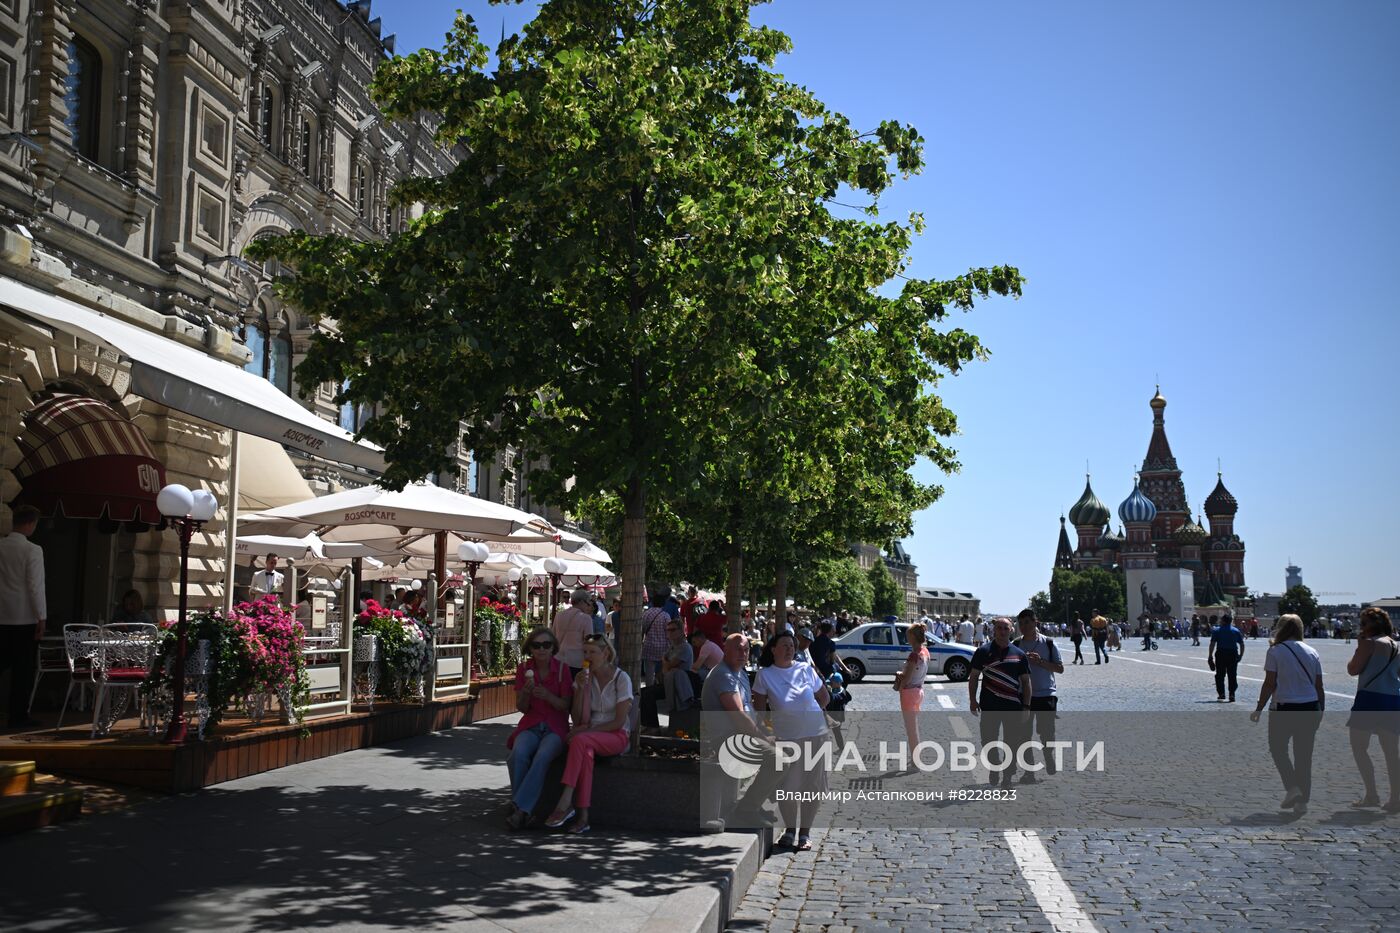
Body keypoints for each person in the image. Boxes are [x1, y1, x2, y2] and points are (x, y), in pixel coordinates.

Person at [546, 635, 634, 834]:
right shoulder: (584, 678)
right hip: (587, 737)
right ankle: (583, 817)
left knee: (580, 740)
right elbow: (577, 720)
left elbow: (619, 722)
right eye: (584, 652)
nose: (587, 656)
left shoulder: (621, 679)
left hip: (616, 735)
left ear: (606, 654)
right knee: (584, 751)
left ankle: (565, 801)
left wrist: (587, 730)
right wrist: (579, 690)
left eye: (592, 652)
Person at [753, 631, 830, 851]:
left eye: (792, 645)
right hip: (786, 738)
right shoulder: (765, 675)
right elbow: (760, 711)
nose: (789, 649)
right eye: (784, 645)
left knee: (811, 787)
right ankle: (790, 830)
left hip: (815, 734)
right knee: (788, 786)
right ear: (773, 649)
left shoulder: (804, 669)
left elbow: (823, 697)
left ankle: (804, 833)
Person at [1249, 614, 1324, 812]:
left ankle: (1292, 787)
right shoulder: (1312, 651)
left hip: (1283, 708)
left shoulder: (1275, 651)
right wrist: (1321, 710)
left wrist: (1259, 708)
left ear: (1280, 628)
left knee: (1278, 749)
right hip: (1310, 707)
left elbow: (1270, 683)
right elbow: (1319, 686)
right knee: (1304, 756)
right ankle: (1302, 802)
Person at [504, 628, 573, 829]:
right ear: (530, 648)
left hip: (555, 726)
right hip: (532, 724)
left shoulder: (562, 669)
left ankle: (520, 809)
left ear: (553, 648)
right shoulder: (523, 669)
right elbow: (522, 708)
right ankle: (523, 810)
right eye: (536, 645)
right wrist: (525, 694)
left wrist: (548, 696)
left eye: (546, 645)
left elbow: (565, 706)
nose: (541, 649)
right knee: (518, 754)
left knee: (543, 756)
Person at [1344, 606, 1400, 811]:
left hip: (1369, 700)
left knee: (1359, 748)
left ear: (1372, 625)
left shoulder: (1368, 644)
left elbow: (1353, 669)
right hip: (1392, 700)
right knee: (1392, 753)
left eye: (1363, 623)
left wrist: (1359, 647)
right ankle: (1396, 798)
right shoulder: (1395, 645)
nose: (1361, 627)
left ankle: (1372, 794)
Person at [968, 617, 1032, 786]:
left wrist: (1026, 706)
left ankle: (1008, 776)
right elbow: (974, 677)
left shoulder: (1019, 654)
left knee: (1012, 742)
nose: (1002, 631)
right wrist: (972, 700)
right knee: (988, 740)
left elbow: (1026, 682)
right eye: (999, 628)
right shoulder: (983, 651)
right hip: (989, 706)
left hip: (1013, 706)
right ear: (993, 630)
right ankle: (994, 766)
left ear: (1011, 630)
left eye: (1006, 628)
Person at [0, 505, 46, 730]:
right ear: (30, 524)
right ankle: (18, 716)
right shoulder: (32, 550)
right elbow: (35, 586)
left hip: (2, 615)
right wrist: (42, 617)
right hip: (24, 617)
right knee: (23, 671)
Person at [1014, 608, 1063, 782]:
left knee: (1047, 732)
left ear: (1036, 622)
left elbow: (1059, 668)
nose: (1024, 626)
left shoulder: (1048, 643)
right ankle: (1029, 772)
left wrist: (1040, 662)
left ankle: (1048, 756)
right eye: (1021, 623)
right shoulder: (1016, 645)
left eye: (1027, 622)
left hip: (1046, 694)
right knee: (1024, 735)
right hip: (1024, 696)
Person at [639, 618, 695, 728]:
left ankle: (652, 727)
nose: (669, 632)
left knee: (648, 694)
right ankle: (649, 725)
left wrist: (665, 661)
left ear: (681, 631)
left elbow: (668, 666)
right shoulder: (672, 647)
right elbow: (664, 669)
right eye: (668, 630)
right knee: (643, 693)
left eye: (672, 630)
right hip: (668, 682)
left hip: (678, 684)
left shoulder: (685, 647)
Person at [894, 621, 930, 751]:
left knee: (911, 729)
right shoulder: (925, 651)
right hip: (919, 690)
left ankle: (915, 758)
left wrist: (900, 683)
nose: (906, 638)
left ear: (912, 637)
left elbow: (907, 677)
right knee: (913, 725)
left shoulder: (914, 655)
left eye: (908, 635)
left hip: (909, 692)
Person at [552, 587, 596, 679]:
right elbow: (589, 642)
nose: (588, 606)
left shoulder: (559, 615)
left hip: (558, 659)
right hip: (576, 662)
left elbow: (553, 636)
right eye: (587, 603)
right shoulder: (586, 618)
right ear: (581, 602)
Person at [1208, 613, 1246, 702]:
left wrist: (1210, 656)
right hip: (1233, 654)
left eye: (1221, 620)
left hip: (1221, 653)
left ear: (1224, 621)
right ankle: (1232, 694)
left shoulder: (1217, 631)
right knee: (1232, 674)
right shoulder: (1236, 631)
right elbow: (1242, 644)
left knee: (1220, 675)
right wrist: (1241, 655)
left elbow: (1212, 644)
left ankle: (1221, 694)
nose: (1220, 621)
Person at [640, 584, 672, 688]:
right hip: (663, 648)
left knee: (649, 673)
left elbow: (642, 631)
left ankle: (649, 692)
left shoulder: (646, 614)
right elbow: (669, 633)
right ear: (663, 603)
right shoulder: (665, 616)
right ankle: (662, 689)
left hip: (648, 646)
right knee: (663, 670)